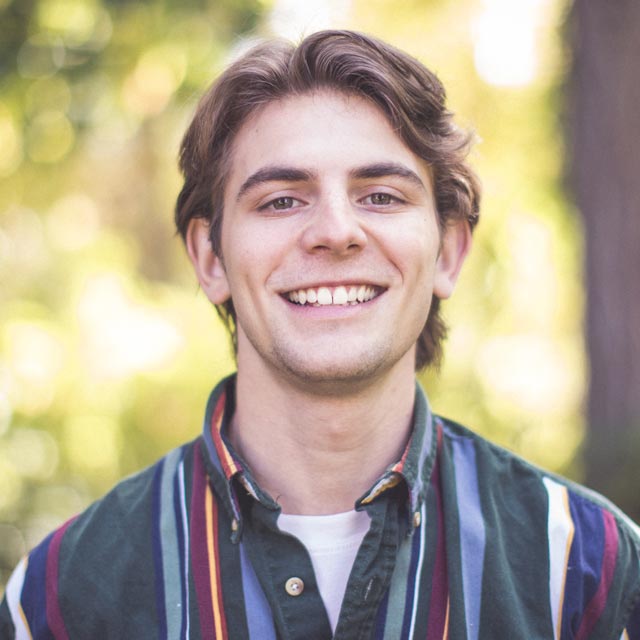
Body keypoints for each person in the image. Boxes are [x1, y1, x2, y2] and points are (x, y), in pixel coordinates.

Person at [1, 29, 639, 640]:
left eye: (382, 196)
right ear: (210, 257)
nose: (336, 231)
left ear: (448, 250)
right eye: (281, 200)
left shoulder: (589, 574)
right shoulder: (63, 596)